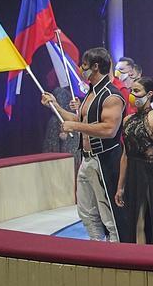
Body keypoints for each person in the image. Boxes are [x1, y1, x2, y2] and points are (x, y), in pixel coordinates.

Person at [42, 47, 126, 242]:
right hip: (86, 160)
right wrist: (55, 105)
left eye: (84, 65)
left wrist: (75, 125)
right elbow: (78, 119)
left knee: (109, 214)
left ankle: (116, 256)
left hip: (105, 161)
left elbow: (109, 130)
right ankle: (97, 250)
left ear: (96, 67)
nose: (80, 68)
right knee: (86, 213)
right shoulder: (91, 93)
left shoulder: (111, 95)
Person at [115, 77, 153, 244]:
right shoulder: (127, 120)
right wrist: (120, 187)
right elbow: (125, 155)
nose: (132, 94)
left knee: (146, 220)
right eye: (131, 91)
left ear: (149, 94)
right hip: (133, 172)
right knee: (134, 222)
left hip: (149, 173)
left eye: (136, 91)